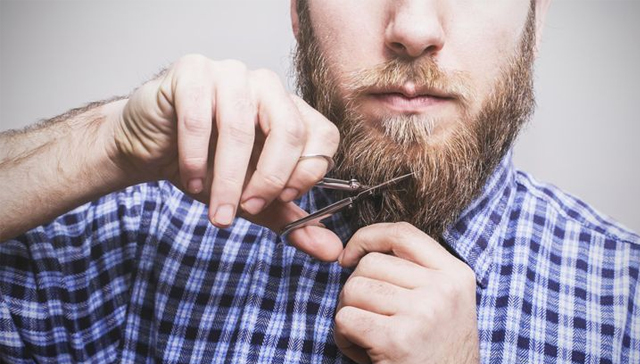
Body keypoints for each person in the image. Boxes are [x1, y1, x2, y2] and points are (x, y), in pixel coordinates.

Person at [1, 0, 638, 363]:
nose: (413, 29)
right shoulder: (144, 240)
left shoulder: (627, 306)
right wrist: (109, 143)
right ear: (300, 16)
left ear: (535, 21)